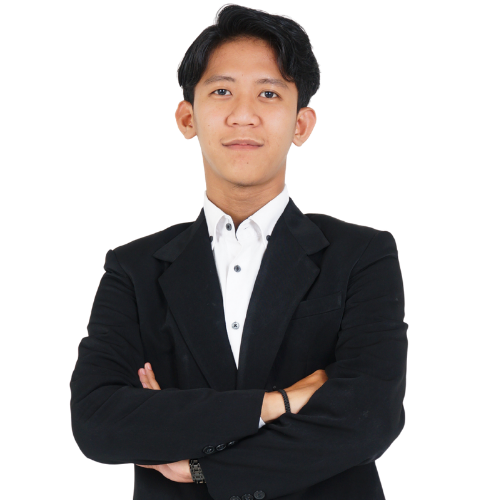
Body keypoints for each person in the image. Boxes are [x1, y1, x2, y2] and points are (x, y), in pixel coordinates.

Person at [70, 4, 407, 499]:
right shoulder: (133, 267)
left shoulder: (361, 254)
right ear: (187, 117)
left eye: (268, 93)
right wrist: (280, 402)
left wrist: (202, 466)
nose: (243, 115)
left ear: (301, 125)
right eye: (222, 91)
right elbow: (98, 422)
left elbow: (368, 418)